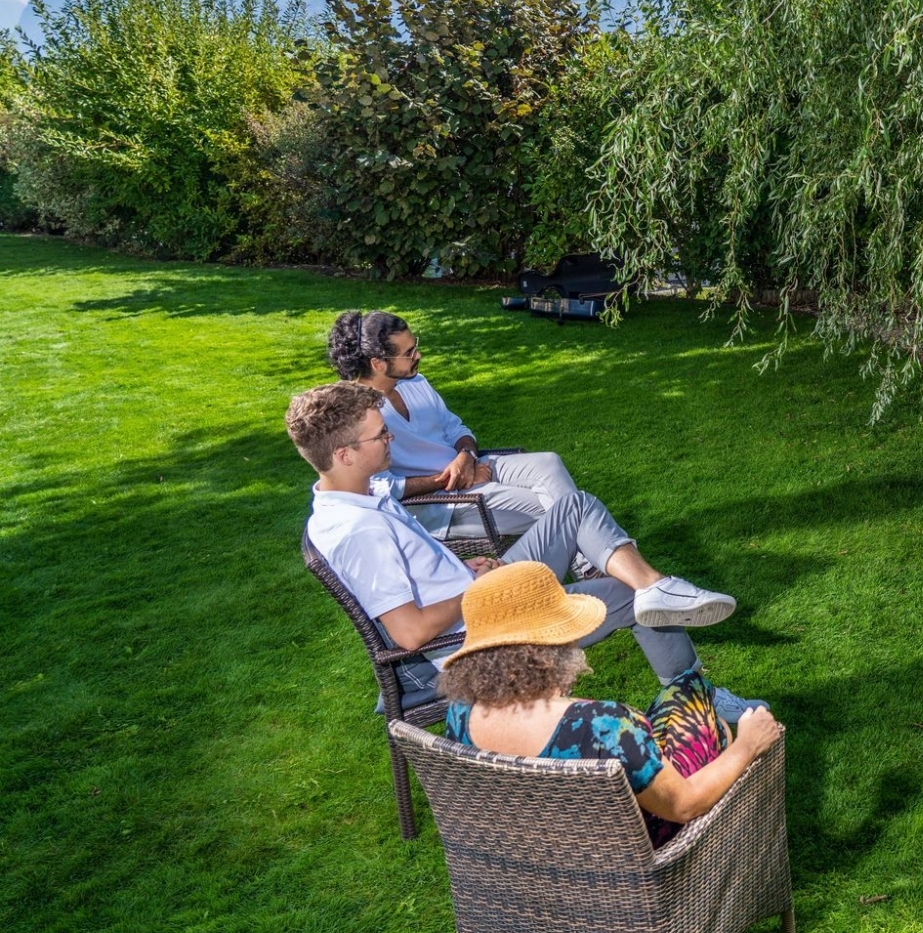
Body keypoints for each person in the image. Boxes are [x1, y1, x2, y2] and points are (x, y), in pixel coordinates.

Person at [287, 380, 754, 715]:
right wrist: (474, 586)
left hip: (479, 592)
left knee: (575, 506)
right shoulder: (357, 531)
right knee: (626, 592)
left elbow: (416, 574)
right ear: (344, 454)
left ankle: (658, 586)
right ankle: (696, 694)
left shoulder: (357, 495)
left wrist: (462, 566)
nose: (390, 439)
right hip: (479, 636)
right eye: (380, 435)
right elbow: (409, 633)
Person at [435, 560, 782, 846]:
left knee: (686, 690)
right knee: (704, 710)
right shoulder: (604, 725)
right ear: (550, 648)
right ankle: (733, 840)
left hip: (544, 850)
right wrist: (749, 744)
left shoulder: (460, 712)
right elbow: (684, 805)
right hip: (634, 850)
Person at [327, 309, 576, 538]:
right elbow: (380, 488)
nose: (418, 355)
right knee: (558, 508)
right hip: (440, 504)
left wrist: (466, 457)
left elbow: (455, 428)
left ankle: (589, 563)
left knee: (550, 464)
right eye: (408, 353)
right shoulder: (358, 414)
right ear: (378, 363)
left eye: (415, 347)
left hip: (471, 466)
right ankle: (591, 563)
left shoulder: (416, 382)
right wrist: (452, 478)